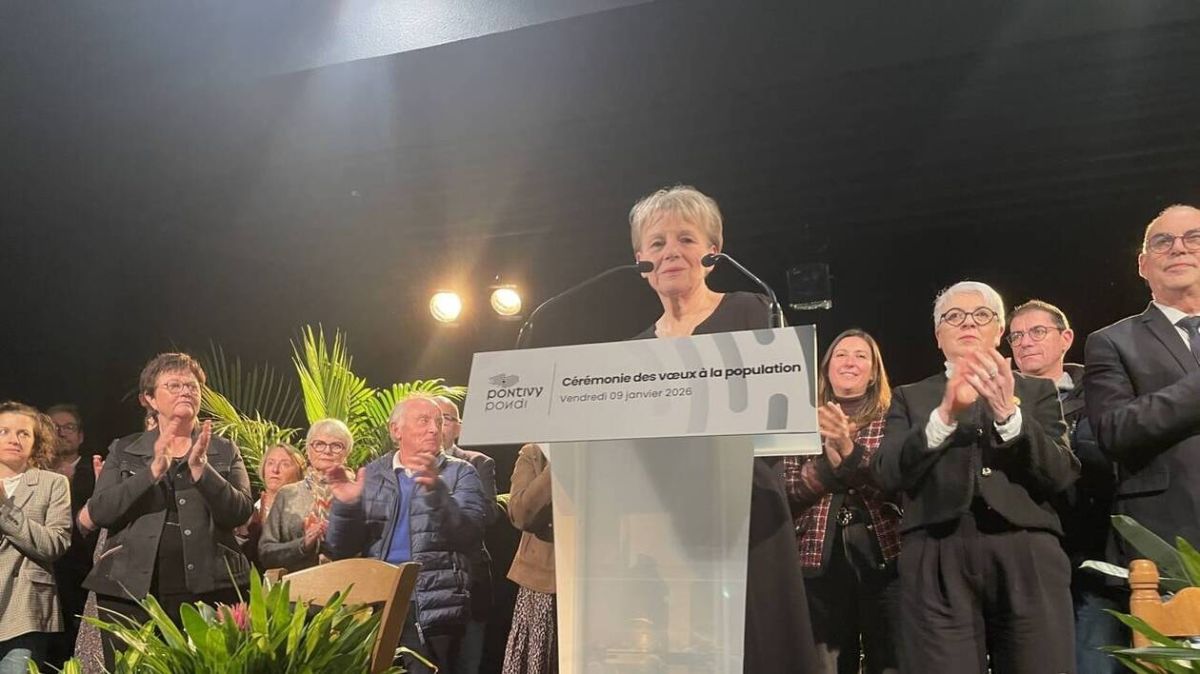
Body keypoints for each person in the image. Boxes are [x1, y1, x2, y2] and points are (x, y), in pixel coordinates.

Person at [629, 185, 819, 673]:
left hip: (748, 514)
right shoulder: (632, 351)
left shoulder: (754, 311)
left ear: (713, 253)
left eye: (686, 239)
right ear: (641, 262)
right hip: (668, 527)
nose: (671, 252)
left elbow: (779, 411)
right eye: (657, 243)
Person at [872, 281, 1079, 674]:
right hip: (935, 550)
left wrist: (1009, 415)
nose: (968, 323)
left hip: (1027, 549)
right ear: (938, 336)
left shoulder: (1036, 391)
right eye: (954, 317)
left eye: (981, 315)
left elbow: (1061, 473)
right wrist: (944, 417)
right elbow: (887, 473)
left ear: (999, 331)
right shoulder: (909, 397)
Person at [84, 353, 253, 667]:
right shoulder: (123, 448)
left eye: (192, 386)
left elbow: (240, 512)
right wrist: (151, 472)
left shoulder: (224, 450)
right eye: (174, 385)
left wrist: (202, 470)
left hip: (211, 588)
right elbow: (100, 511)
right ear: (149, 398)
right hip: (129, 592)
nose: (186, 391)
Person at [1084, 205, 1200, 653]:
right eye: (1163, 242)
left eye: (1193, 238)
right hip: (1169, 548)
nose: (1179, 249)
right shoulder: (1112, 341)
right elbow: (1115, 430)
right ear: (1143, 264)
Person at [324, 396, 487, 674]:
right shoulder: (372, 474)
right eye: (424, 421)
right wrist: (346, 506)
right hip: (378, 603)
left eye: (438, 422)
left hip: (432, 604)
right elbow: (340, 549)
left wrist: (438, 494)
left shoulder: (460, 472)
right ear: (395, 430)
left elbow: (470, 534)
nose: (434, 429)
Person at [782, 329, 901, 674]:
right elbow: (787, 491)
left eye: (861, 356)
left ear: (874, 373)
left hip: (885, 558)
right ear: (827, 368)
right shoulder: (799, 419)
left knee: (890, 660)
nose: (850, 362)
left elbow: (894, 483)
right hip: (817, 560)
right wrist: (827, 466)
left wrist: (849, 453)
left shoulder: (894, 417)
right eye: (841, 354)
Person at [1008, 300, 1115, 673]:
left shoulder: (1102, 392)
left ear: (1066, 338)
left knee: (1094, 660)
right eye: (1016, 336)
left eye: (1037, 332)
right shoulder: (996, 401)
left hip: (1093, 555)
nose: (1025, 342)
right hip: (1024, 558)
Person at [0, 402, 72, 674]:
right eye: (4, 431)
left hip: (24, 611)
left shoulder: (52, 483)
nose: (13, 439)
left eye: (23, 433)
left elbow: (55, 544)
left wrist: (5, 509)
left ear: (36, 442)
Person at [433, 396, 498, 674]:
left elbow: (490, 513)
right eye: (430, 418)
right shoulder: (403, 466)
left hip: (468, 581)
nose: (437, 425)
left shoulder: (477, 463)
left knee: (467, 664)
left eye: (445, 419)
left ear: (459, 428)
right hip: (423, 587)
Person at [43, 403, 100, 669]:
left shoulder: (100, 470)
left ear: (80, 436)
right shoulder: (32, 474)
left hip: (85, 573)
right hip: (45, 576)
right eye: (54, 427)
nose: (61, 432)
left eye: (69, 427)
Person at [258, 422, 351, 572]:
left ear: (347, 453)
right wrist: (303, 544)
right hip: (298, 583)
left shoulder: (361, 493)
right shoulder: (287, 495)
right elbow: (265, 553)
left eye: (336, 446)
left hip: (351, 580)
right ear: (308, 450)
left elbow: (375, 548)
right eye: (319, 444)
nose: (327, 451)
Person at [501, 444, 555, 674]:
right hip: (543, 584)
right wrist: (555, 469)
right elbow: (520, 515)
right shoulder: (534, 453)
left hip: (597, 576)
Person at [241, 443, 304, 570]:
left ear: (299, 473)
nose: (275, 470)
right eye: (270, 463)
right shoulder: (248, 510)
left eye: (285, 464)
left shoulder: (307, 511)